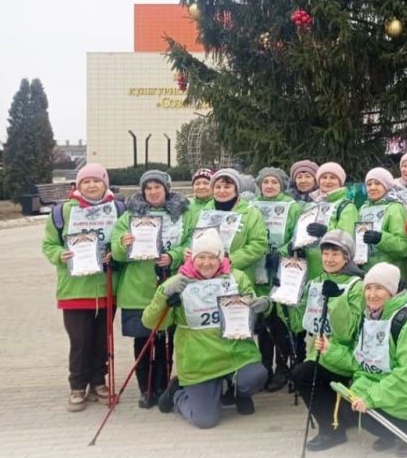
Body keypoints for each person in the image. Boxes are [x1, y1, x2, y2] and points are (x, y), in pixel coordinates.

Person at [148, 228, 271, 427]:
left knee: (256, 375)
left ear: (221, 257)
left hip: (235, 353)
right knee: (205, 420)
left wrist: (263, 304)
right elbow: (152, 323)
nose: (207, 263)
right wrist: (163, 294)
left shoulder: (236, 277)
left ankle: (237, 392)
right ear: (192, 258)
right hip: (200, 359)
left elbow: (251, 305)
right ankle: (178, 394)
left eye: (212, 257)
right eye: (201, 257)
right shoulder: (178, 283)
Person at [321, 262, 407, 456]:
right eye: (368, 287)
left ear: (392, 291)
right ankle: (393, 432)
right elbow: (362, 361)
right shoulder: (371, 317)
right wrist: (331, 350)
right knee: (350, 406)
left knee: (365, 410)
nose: (372, 294)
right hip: (382, 381)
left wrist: (370, 398)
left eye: (379, 288)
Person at [41, 163, 122, 411]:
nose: (92, 185)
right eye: (86, 181)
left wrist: (115, 253)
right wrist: (60, 254)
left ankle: (99, 381)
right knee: (80, 341)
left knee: (101, 339)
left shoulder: (117, 209)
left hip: (105, 287)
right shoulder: (63, 212)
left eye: (97, 181)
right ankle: (77, 385)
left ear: (105, 184)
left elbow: (122, 240)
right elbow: (48, 245)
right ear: (78, 185)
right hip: (75, 289)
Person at [110, 170, 190, 408]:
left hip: (169, 283)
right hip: (137, 289)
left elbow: (189, 242)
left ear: (167, 188)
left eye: (158, 187)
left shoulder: (183, 213)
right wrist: (123, 245)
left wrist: (173, 256)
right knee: (143, 342)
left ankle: (163, 387)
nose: (153, 192)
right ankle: (146, 389)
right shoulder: (129, 216)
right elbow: (115, 250)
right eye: (148, 188)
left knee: (166, 341)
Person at [289, 230, 366, 450]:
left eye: (336, 254)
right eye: (325, 253)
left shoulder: (356, 285)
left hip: (345, 354)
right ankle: (340, 415)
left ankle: (332, 431)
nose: (329, 259)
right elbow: (301, 323)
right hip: (320, 352)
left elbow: (347, 332)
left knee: (302, 374)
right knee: (305, 371)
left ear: (347, 258)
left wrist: (335, 301)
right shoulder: (316, 281)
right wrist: (285, 299)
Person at [250, 167, 302, 392]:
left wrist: (280, 252)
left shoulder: (292, 206)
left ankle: (284, 366)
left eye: (274, 182)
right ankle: (265, 365)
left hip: (281, 270)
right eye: (265, 182)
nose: (269, 186)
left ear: (281, 185)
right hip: (258, 271)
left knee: (281, 321)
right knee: (263, 322)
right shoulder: (252, 206)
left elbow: (297, 236)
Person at [184, 168, 268, 277]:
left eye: (227, 187)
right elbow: (191, 238)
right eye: (218, 187)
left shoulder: (251, 213)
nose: (222, 191)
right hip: (203, 275)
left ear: (236, 189)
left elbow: (259, 244)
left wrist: (231, 260)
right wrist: (188, 251)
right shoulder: (203, 213)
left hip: (237, 275)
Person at [294, 161, 359, 280]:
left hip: (334, 266)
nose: (327, 181)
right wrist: (293, 246)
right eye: (324, 177)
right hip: (307, 267)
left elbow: (347, 237)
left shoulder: (346, 206)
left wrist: (326, 232)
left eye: (333, 178)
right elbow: (298, 233)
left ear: (340, 182)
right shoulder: (310, 206)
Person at [358, 167, 407, 283]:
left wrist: (380, 238)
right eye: (369, 184)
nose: (372, 187)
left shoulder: (395, 208)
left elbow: (404, 247)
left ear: (386, 186)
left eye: (377, 183)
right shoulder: (363, 209)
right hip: (367, 273)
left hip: (391, 274)